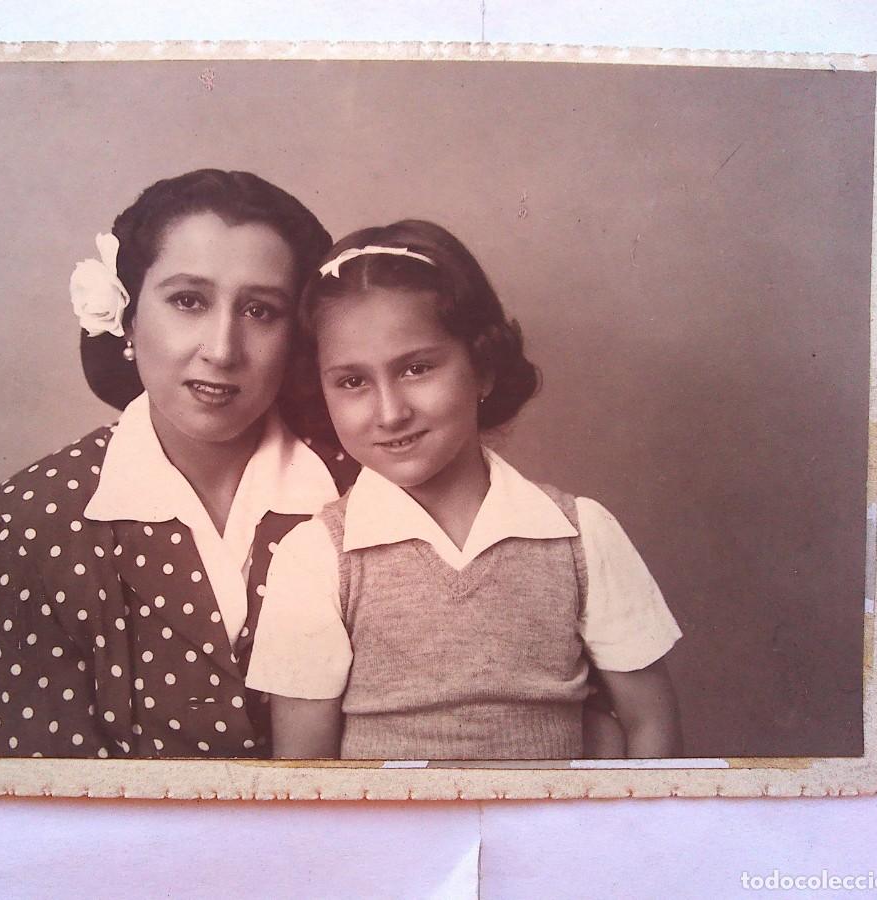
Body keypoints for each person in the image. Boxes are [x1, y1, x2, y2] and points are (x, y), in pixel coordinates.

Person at [245, 220, 684, 760]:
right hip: (390, 844)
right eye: (353, 382)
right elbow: (305, 774)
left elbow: (650, 730)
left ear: (482, 369)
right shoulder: (316, 558)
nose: (390, 412)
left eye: (417, 368)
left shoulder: (581, 536)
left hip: (551, 842)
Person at [0, 169, 357, 759]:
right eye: (188, 301)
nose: (222, 349)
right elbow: (46, 805)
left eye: (260, 311)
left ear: (298, 337)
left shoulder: (365, 496)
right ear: (127, 316)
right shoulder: (22, 526)